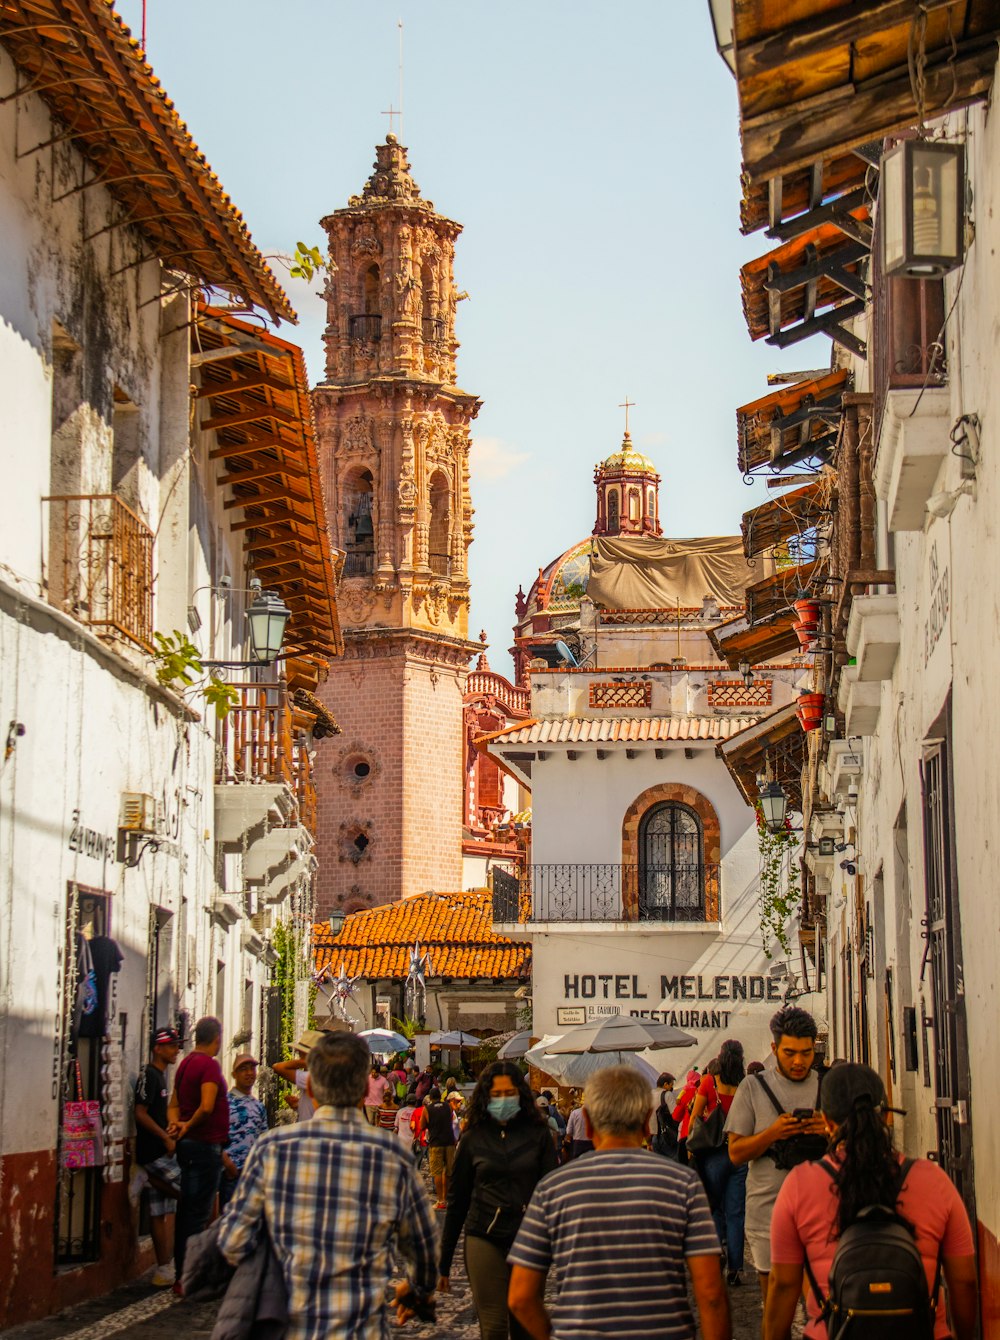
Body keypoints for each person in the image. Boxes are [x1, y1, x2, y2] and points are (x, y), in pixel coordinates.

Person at [215, 1032, 439, 1339]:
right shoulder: (392, 1157)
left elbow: (232, 1242)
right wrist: (417, 1289)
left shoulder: (272, 1150)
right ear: (363, 1088)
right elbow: (422, 1249)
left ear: (311, 1087)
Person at [507, 1066, 731, 1340]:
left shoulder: (553, 1189)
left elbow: (520, 1297)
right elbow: (711, 1295)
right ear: (647, 1118)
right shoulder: (682, 1184)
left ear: (587, 1122)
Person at [766, 1063, 977, 1340]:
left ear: (827, 1122)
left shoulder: (799, 1185)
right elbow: (964, 1280)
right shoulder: (933, 1180)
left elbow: (782, 1285)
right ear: (886, 1116)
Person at [439, 1060, 558, 1340]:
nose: (503, 1100)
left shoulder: (539, 1136)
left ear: (520, 1094)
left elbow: (551, 1193)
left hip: (528, 1239)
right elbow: (457, 1202)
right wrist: (443, 1263)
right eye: (497, 1095)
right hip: (484, 1235)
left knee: (524, 1324)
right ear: (486, 1097)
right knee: (493, 1327)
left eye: (509, 1094)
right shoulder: (472, 1140)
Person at [724, 1005, 826, 1313]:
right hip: (767, 1214)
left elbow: (854, 1149)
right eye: (790, 1052)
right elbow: (735, 1153)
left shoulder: (827, 1085)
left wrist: (829, 1130)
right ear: (774, 1048)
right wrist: (774, 1133)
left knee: (820, 1310)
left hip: (822, 1213)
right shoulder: (753, 1087)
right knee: (775, 1310)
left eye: (806, 1053)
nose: (798, 1061)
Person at [167, 1016, 229, 1282]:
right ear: (217, 1038)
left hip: (189, 1145)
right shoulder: (209, 1066)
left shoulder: (185, 1064)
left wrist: (177, 1125)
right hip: (204, 1145)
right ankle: (190, 1275)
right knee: (199, 1213)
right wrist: (188, 1126)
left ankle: (184, 1271)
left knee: (187, 1211)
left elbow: (173, 1102)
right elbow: (206, 1106)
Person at [690, 1041, 748, 1286]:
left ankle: (717, 1252)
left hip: (713, 1154)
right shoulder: (745, 1085)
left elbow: (694, 1118)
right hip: (738, 1152)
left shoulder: (708, 1083)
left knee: (713, 1207)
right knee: (736, 1212)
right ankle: (736, 1268)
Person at [133, 1026, 182, 1287]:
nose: (176, 1050)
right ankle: (149, 1177)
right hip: (154, 1152)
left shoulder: (161, 1077)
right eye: (172, 1045)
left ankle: (164, 1268)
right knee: (187, 1193)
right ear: (158, 1048)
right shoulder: (150, 1076)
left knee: (160, 1210)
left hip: (161, 1148)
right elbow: (140, 1113)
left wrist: (169, 1129)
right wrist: (164, 1137)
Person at [219, 1053, 267, 1210]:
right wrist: (226, 1163)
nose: (249, 1073)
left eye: (252, 1069)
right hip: (231, 1172)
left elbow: (263, 1141)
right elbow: (215, 1136)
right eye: (243, 1069)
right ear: (234, 1074)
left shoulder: (259, 1107)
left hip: (252, 1175)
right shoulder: (224, 1103)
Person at [272, 1029, 329, 1122]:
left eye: (301, 1053)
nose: (298, 1056)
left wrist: (309, 1061)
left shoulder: (314, 1076)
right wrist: (298, 1105)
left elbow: (278, 1067)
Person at [418, 1087, 458, 1209]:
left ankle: (440, 1200)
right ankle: (446, 1199)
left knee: (437, 1172)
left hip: (436, 1143)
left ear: (430, 1098)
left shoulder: (427, 1109)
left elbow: (422, 1125)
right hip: (450, 1142)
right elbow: (451, 1120)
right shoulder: (448, 1106)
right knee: (448, 1171)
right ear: (440, 1096)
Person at [672, 1067, 701, 1164]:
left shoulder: (686, 1093)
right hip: (702, 1135)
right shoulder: (703, 1091)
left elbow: (676, 1116)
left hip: (686, 1135)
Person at [651, 1071, 679, 1158]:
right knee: (676, 1164)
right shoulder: (667, 1094)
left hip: (654, 1138)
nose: (672, 1087)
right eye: (671, 1085)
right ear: (665, 1084)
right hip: (666, 1137)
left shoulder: (649, 1094)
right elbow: (675, 1116)